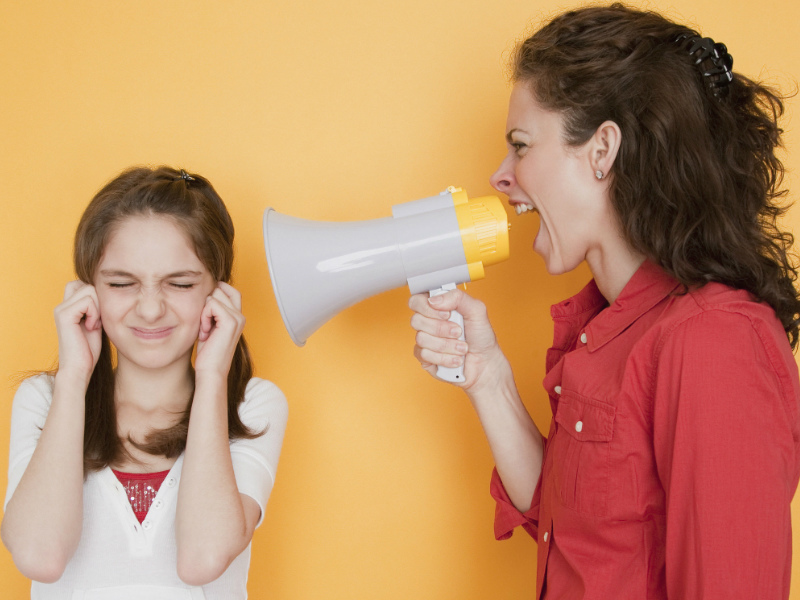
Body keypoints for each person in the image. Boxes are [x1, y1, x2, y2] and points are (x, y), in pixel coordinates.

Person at [409, 4, 800, 599]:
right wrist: (487, 378)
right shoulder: (609, 326)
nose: (501, 177)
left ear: (602, 150)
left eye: (521, 146)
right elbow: (573, 537)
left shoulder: (713, 342)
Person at [2, 166, 288, 598]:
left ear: (219, 293)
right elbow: (41, 557)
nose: (150, 309)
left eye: (179, 283)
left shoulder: (252, 407)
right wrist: (74, 376)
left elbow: (202, 560)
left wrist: (212, 376)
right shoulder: (44, 400)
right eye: (121, 283)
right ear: (87, 292)